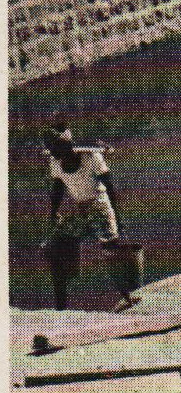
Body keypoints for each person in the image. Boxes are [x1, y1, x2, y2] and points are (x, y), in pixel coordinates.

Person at [41, 117, 131, 311]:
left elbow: (109, 186)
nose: (56, 155)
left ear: (68, 145)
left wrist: (117, 216)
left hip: (100, 207)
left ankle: (128, 296)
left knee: (111, 250)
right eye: (53, 151)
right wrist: (53, 213)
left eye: (58, 149)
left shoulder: (92, 158)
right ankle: (60, 307)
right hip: (81, 209)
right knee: (57, 245)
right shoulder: (56, 163)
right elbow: (58, 188)